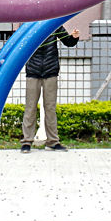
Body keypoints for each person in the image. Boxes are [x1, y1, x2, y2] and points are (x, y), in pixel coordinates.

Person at [19, 25, 80, 153]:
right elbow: (21, 45)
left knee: (50, 108)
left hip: (51, 71)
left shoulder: (55, 23)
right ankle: (27, 141)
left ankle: (53, 142)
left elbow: (68, 42)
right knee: (30, 107)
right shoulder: (28, 24)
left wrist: (74, 38)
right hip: (33, 71)